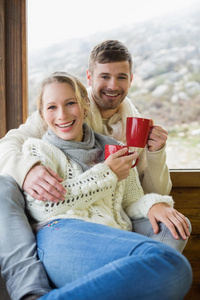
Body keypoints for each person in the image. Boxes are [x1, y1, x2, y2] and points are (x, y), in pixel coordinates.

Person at [0, 41, 191, 299]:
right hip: (63, 230)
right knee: (170, 267)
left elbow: (135, 195)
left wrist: (153, 200)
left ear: (84, 105)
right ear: (90, 80)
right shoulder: (39, 145)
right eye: (104, 76)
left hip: (111, 231)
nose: (112, 85)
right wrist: (27, 170)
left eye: (120, 77)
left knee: (175, 231)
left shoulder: (119, 136)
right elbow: (44, 205)